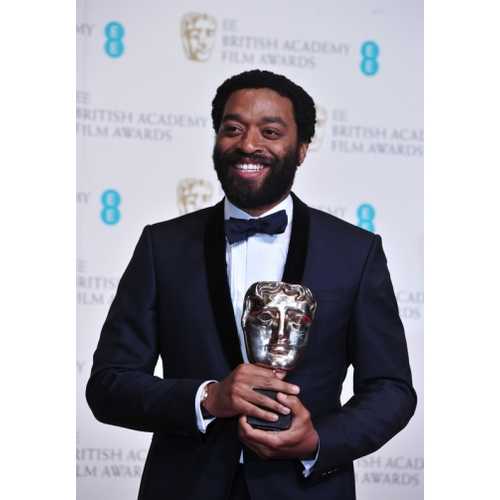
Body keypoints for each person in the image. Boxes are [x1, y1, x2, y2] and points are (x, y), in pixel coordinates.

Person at [86, 69, 417, 500]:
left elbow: (391, 389)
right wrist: (208, 398)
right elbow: (109, 385)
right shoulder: (162, 246)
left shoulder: (355, 252)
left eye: (270, 131)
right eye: (233, 129)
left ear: (302, 149)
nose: (248, 144)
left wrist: (317, 441)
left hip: (306, 490)